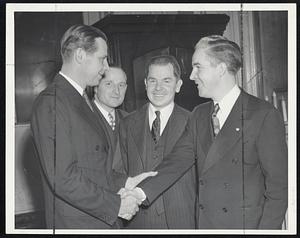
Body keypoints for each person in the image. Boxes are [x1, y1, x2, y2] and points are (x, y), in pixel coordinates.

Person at [31, 24, 156, 229]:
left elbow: (92, 167)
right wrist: (116, 205)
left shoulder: (80, 100)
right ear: (80, 55)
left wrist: (127, 182)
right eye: (102, 58)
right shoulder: (51, 102)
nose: (106, 67)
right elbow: (63, 178)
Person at [189, 35, 288, 229]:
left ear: (221, 69)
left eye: (198, 67)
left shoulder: (263, 114)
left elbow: (279, 189)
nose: (192, 75)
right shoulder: (198, 115)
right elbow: (177, 161)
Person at [117, 55, 197, 229]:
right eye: (153, 81)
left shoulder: (195, 123)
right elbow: (118, 172)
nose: (158, 87)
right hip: (137, 222)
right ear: (145, 84)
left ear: (178, 85)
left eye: (166, 81)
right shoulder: (127, 124)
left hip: (182, 221)